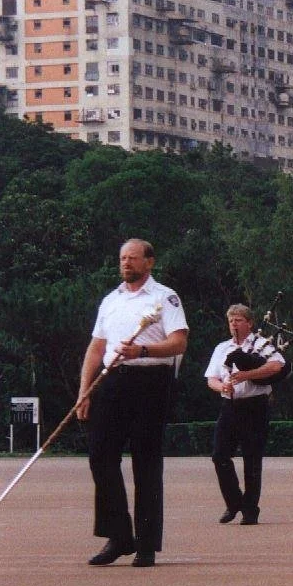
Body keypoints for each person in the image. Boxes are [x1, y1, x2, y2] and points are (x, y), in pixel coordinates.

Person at [77, 239, 188, 567]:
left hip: (150, 381)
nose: (126, 263)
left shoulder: (164, 297)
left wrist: (142, 351)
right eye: (123, 258)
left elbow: (179, 342)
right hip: (111, 381)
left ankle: (147, 543)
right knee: (100, 455)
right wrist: (84, 390)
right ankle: (119, 535)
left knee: (146, 461)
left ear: (149, 262)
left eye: (133, 258)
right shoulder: (111, 300)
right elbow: (96, 348)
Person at [205, 304, 285, 525]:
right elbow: (211, 378)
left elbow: (277, 366)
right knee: (219, 455)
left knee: (251, 459)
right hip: (230, 405)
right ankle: (234, 503)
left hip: (255, 406)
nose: (234, 324)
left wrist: (247, 374)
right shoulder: (222, 348)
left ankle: (250, 510)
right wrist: (221, 387)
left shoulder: (262, 345)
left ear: (249, 323)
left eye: (238, 320)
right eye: (231, 320)